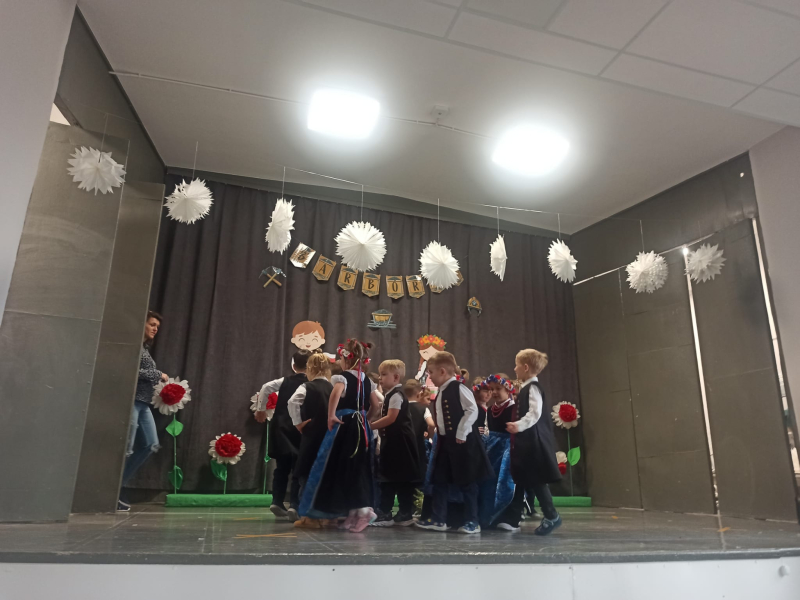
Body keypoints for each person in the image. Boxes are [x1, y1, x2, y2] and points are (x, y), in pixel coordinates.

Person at [298, 339, 382, 532]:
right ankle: (354, 512)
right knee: (357, 465)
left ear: (346, 360)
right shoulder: (367, 381)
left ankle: (360, 511)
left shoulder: (342, 378)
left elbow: (335, 394)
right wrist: (366, 419)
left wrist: (331, 416)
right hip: (361, 425)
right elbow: (376, 405)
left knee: (336, 463)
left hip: (344, 425)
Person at [416, 351, 493, 534]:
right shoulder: (442, 390)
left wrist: (461, 431)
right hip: (445, 443)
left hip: (463, 444)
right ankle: (439, 519)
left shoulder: (459, 388)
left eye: (431, 372)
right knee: (440, 481)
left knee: (467, 483)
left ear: (442, 371)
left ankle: (472, 521)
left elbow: (472, 409)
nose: (429, 376)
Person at [498, 349, 563, 535]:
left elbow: (535, 413)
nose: (514, 368)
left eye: (517, 365)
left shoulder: (533, 388)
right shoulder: (527, 387)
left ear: (525, 367)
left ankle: (551, 515)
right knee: (523, 478)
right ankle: (514, 516)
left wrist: (518, 425)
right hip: (527, 441)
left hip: (534, 442)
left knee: (536, 479)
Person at [119, 311, 168, 512]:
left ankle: (119, 484)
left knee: (150, 444)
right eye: (152, 324)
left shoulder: (144, 349)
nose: (155, 329)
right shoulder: (133, 347)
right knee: (127, 447)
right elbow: (130, 370)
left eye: (157, 326)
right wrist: (158, 374)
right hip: (132, 401)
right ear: (142, 324)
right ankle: (114, 491)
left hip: (143, 404)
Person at [254, 349, 311, 521]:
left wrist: (261, 409)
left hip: (281, 429)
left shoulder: (284, 381)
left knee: (281, 467)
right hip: (301, 429)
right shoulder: (311, 383)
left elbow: (266, 388)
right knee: (298, 469)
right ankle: (294, 504)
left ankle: (277, 501)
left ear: (293, 365)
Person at [369, 361, 421, 527]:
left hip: (400, 445)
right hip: (392, 444)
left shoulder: (396, 395)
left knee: (397, 478)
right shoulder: (390, 395)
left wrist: (370, 426)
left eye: (384, 375)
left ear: (396, 377)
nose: (380, 378)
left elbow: (391, 418)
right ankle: (397, 512)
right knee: (392, 478)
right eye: (380, 375)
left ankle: (393, 513)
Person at [288, 352, 334, 528]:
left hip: (312, 436)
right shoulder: (332, 387)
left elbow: (293, 402)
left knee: (307, 475)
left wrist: (298, 423)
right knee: (326, 476)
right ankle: (326, 516)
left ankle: (308, 517)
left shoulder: (307, 386)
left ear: (310, 368)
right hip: (329, 436)